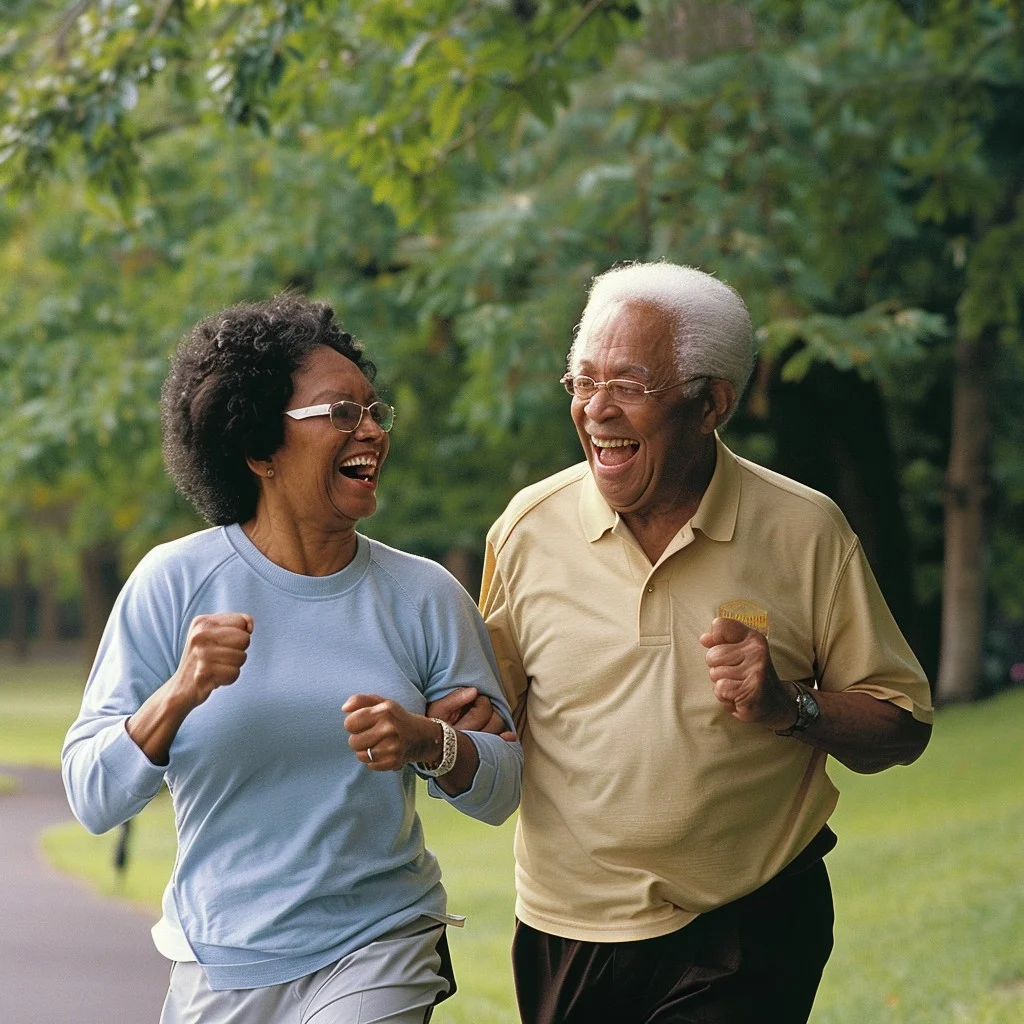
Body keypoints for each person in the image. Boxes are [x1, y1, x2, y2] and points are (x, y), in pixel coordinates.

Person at [476, 262, 933, 1024]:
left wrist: (790, 705)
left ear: (710, 403)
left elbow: (902, 724)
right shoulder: (527, 529)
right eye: (582, 383)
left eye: (628, 386)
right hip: (567, 927)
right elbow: (491, 716)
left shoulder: (804, 530)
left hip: (749, 919)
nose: (596, 410)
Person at [62, 293, 522, 1024]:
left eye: (374, 412)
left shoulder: (424, 594)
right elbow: (92, 796)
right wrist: (179, 691)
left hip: (382, 941)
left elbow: (502, 789)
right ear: (257, 448)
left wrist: (429, 744)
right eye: (342, 414)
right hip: (218, 958)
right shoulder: (173, 583)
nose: (371, 430)